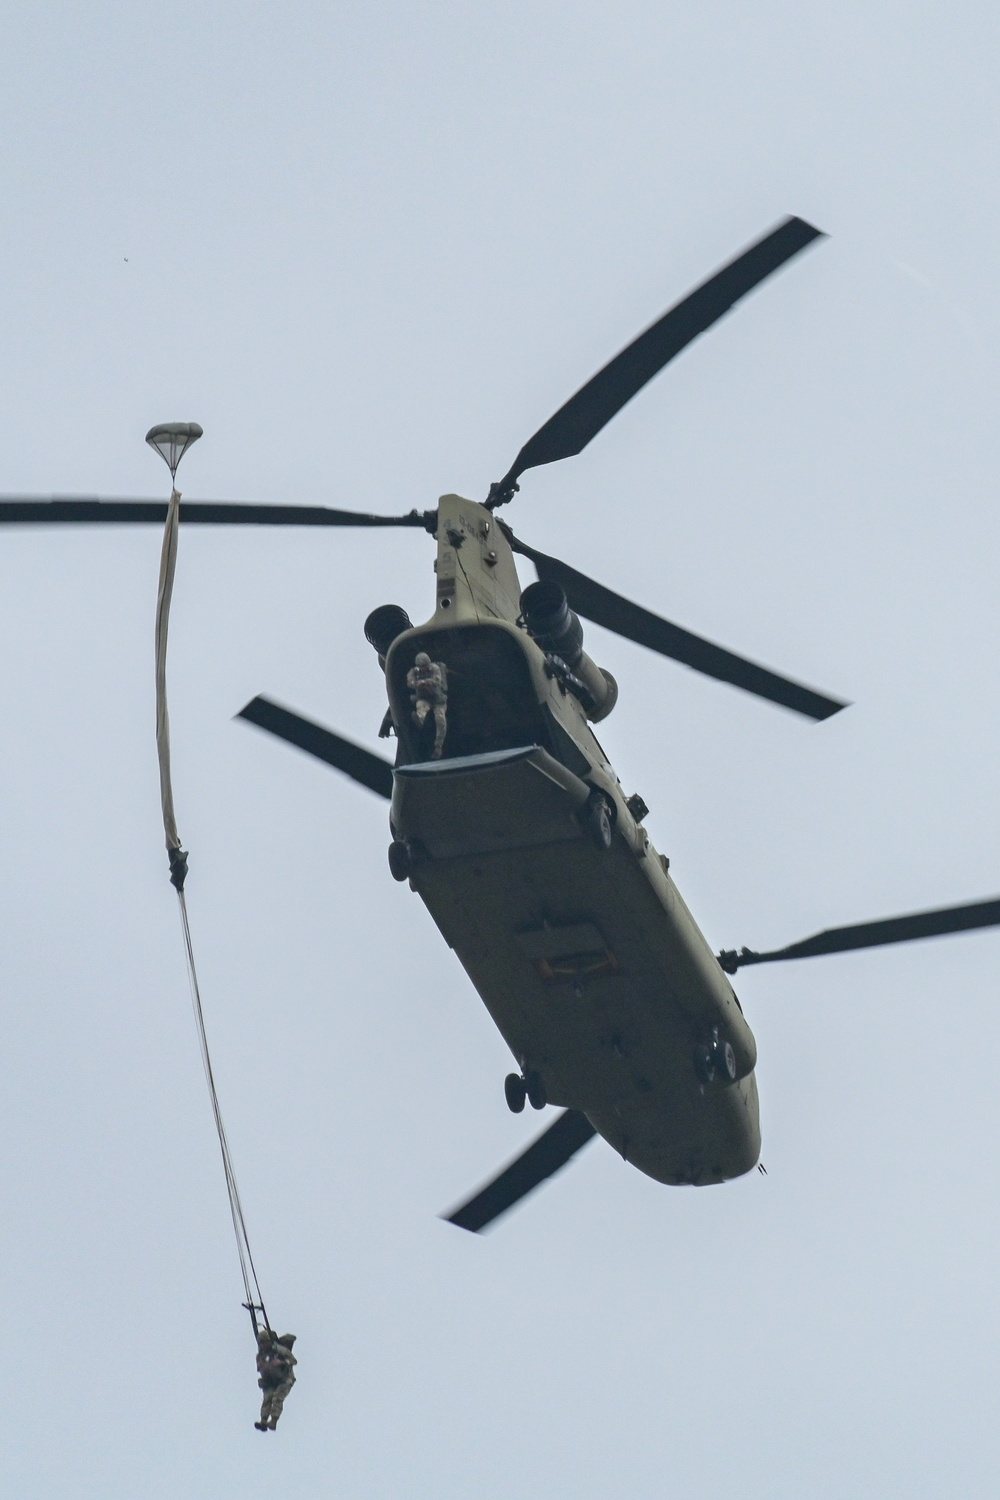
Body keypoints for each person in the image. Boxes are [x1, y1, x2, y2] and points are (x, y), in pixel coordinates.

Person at [254, 1327, 298, 1431]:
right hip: (270, 1380)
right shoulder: (260, 1355)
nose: (263, 1345)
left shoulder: (280, 1350)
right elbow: (259, 1368)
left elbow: (294, 1361)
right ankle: (263, 1420)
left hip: (284, 1379)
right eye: (261, 1343)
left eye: (264, 1342)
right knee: (267, 1399)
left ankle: (273, 1420)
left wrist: (282, 1362)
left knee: (277, 1398)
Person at [406, 652, 448, 759]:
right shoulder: (414, 672)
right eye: (421, 667)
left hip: (437, 699)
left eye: (425, 666)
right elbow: (410, 682)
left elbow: (437, 680)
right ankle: (419, 719)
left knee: (440, 719)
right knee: (421, 708)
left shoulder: (435, 668)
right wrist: (417, 683)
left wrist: (425, 682)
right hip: (423, 698)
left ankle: (438, 747)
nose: (423, 669)